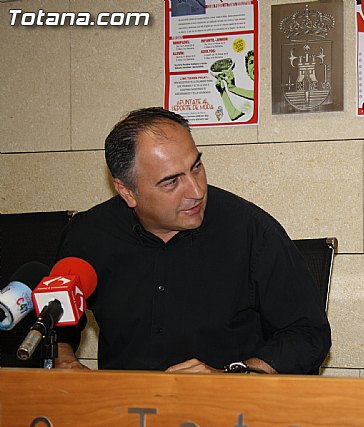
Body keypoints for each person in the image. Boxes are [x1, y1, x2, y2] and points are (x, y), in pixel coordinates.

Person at [55, 107, 330, 374]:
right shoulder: (89, 234)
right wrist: (63, 359)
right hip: (123, 401)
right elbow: (56, 318)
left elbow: (308, 333)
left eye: (196, 167)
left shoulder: (250, 230)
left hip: (227, 400)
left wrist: (233, 376)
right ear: (126, 191)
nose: (196, 191)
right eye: (171, 182)